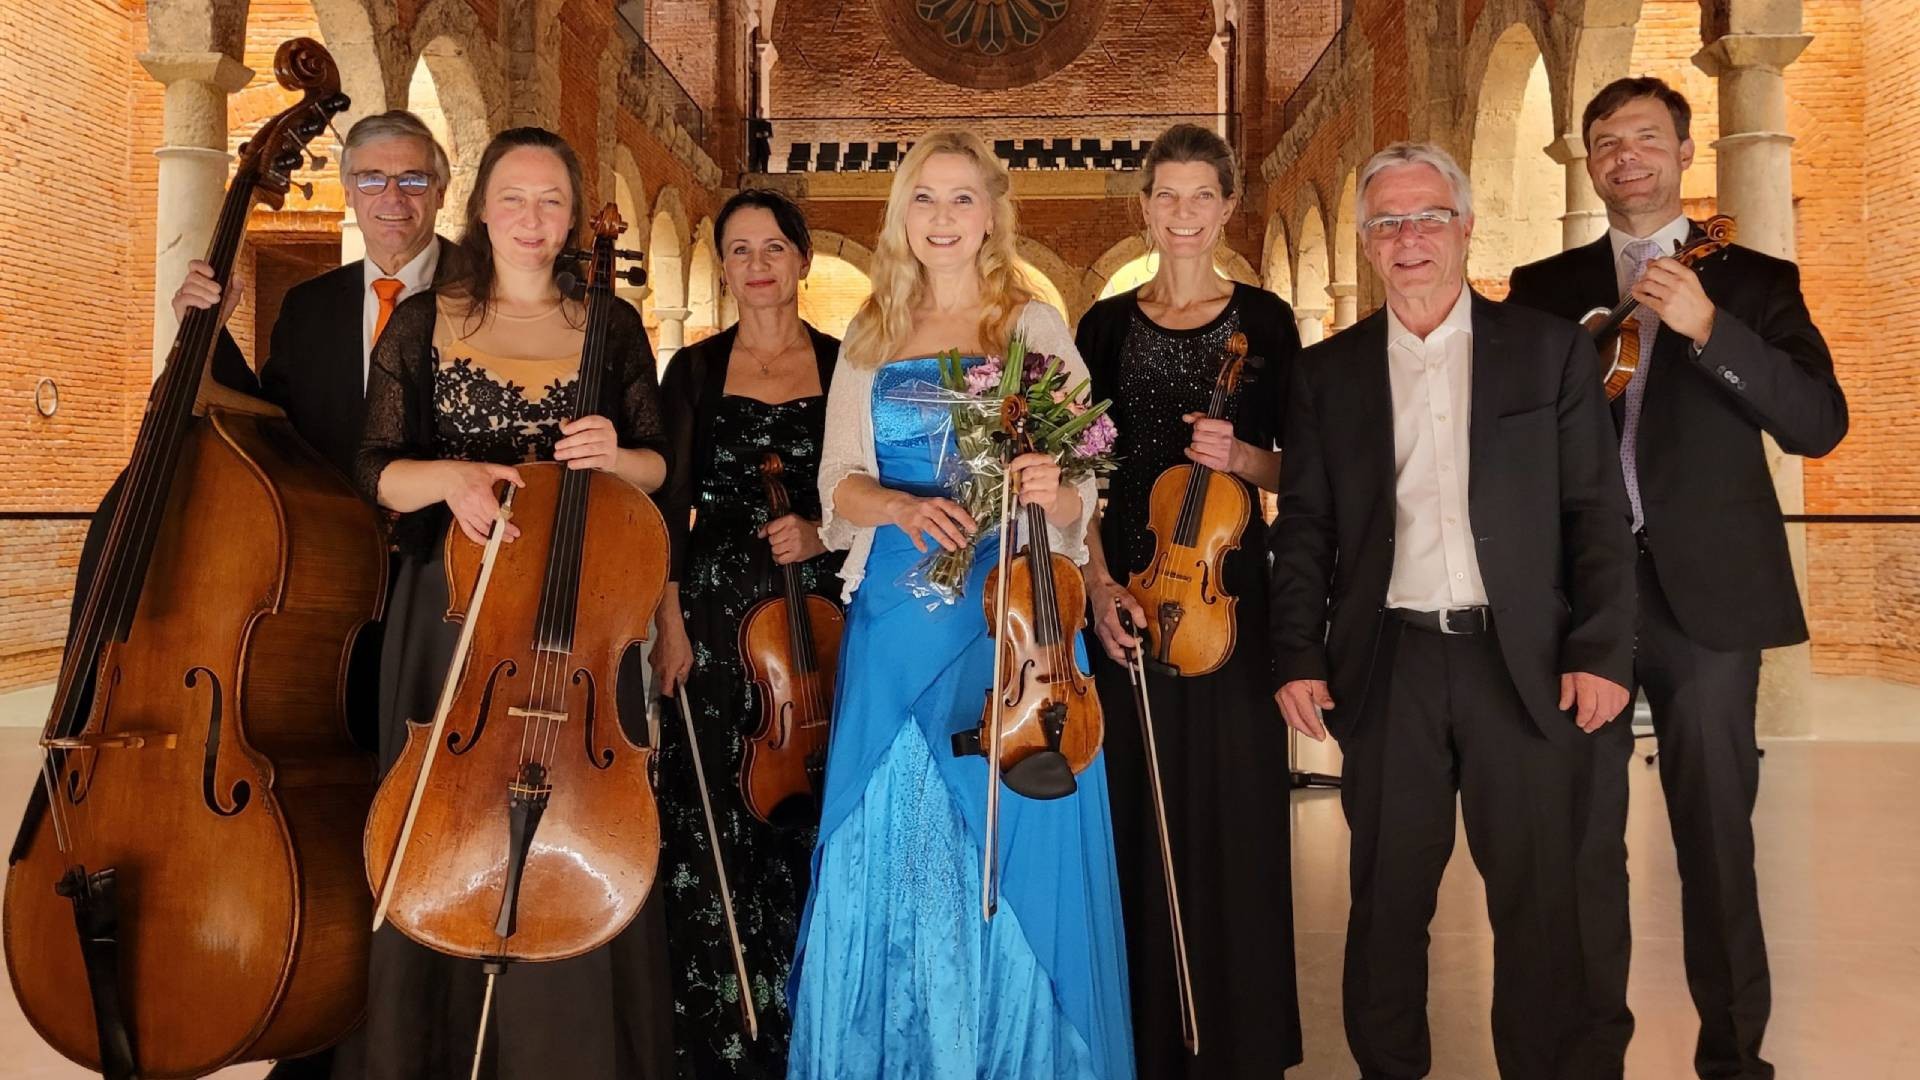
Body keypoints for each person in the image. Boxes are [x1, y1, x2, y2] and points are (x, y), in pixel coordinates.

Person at [62, 110, 456, 1080]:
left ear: (441, 189)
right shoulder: (316, 307)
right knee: (328, 810)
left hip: (439, 588)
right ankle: (330, 1013)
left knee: (424, 814)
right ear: (351, 190)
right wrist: (212, 330)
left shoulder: (487, 299)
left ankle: (425, 1023)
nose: (390, 201)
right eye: (371, 180)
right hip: (321, 596)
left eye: (410, 181)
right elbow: (277, 425)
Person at [1269, 142, 1636, 1079]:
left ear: (1466, 228)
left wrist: (1600, 648)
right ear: (1365, 245)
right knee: (1387, 900)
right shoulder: (1327, 374)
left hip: (1525, 663)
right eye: (1387, 223)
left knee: (1538, 900)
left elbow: (1595, 512)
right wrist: (1295, 653)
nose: (1409, 239)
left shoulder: (1548, 350)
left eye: (1428, 217)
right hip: (1388, 664)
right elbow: (1306, 525)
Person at [1506, 77, 1847, 1080]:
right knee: (1580, 848)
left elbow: (1818, 424)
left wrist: (1708, 328)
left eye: (1646, 139)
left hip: (1708, 601)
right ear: (1589, 162)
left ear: (1686, 153)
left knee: (1716, 839)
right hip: (1583, 602)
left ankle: (1735, 1060)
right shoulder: (1544, 287)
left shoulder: (1753, 280)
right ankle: (1587, 1056)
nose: (1626, 157)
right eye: (1605, 142)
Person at [785, 129, 1135, 1079]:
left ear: (992, 213)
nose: (943, 218)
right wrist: (897, 503)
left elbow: (1082, 489)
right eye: (924, 199)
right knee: (891, 837)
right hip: (897, 620)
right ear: (902, 212)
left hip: (1009, 621)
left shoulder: (1030, 325)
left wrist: (1048, 483)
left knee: (1011, 830)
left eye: (962, 199)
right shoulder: (868, 334)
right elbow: (836, 490)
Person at [342, 126, 671, 1080]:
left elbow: (656, 465)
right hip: (454, 620)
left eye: (553, 201)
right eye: (514, 199)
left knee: (585, 801)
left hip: (580, 626)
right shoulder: (423, 322)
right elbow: (375, 470)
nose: (533, 219)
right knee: (446, 815)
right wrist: (451, 479)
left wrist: (615, 455)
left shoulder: (611, 327)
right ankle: (425, 1047)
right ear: (480, 210)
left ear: (572, 218)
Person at [1072, 122, 1303, 1078]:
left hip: (1230, 604)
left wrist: (1242, 457)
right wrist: (1094, 584)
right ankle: (1149, 1043)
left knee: (1241, 820)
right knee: (1137, 819)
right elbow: (1079, 473)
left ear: (1227, 207)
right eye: (1164, 195)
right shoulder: (1104, 327)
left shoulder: (1271, 320)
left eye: (1199, 196)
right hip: (1131, 601)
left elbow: (1305, 467)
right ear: (1143, 208)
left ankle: (1241, 1043)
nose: (1181, 214)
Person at [647, 188, 842, 1077]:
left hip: (825, 629)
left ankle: (820, 1030)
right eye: (738, 251)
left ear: (802, 260)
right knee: (713, 824)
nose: (757, 265)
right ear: (722, 268)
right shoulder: (692, 371)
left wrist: (822, 531)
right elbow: (665, 504)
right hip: (716, 631)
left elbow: (865, 492)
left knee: (818, 822)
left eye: (773, 248)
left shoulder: (848, 368)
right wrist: (667, 621)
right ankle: (725, 1042)